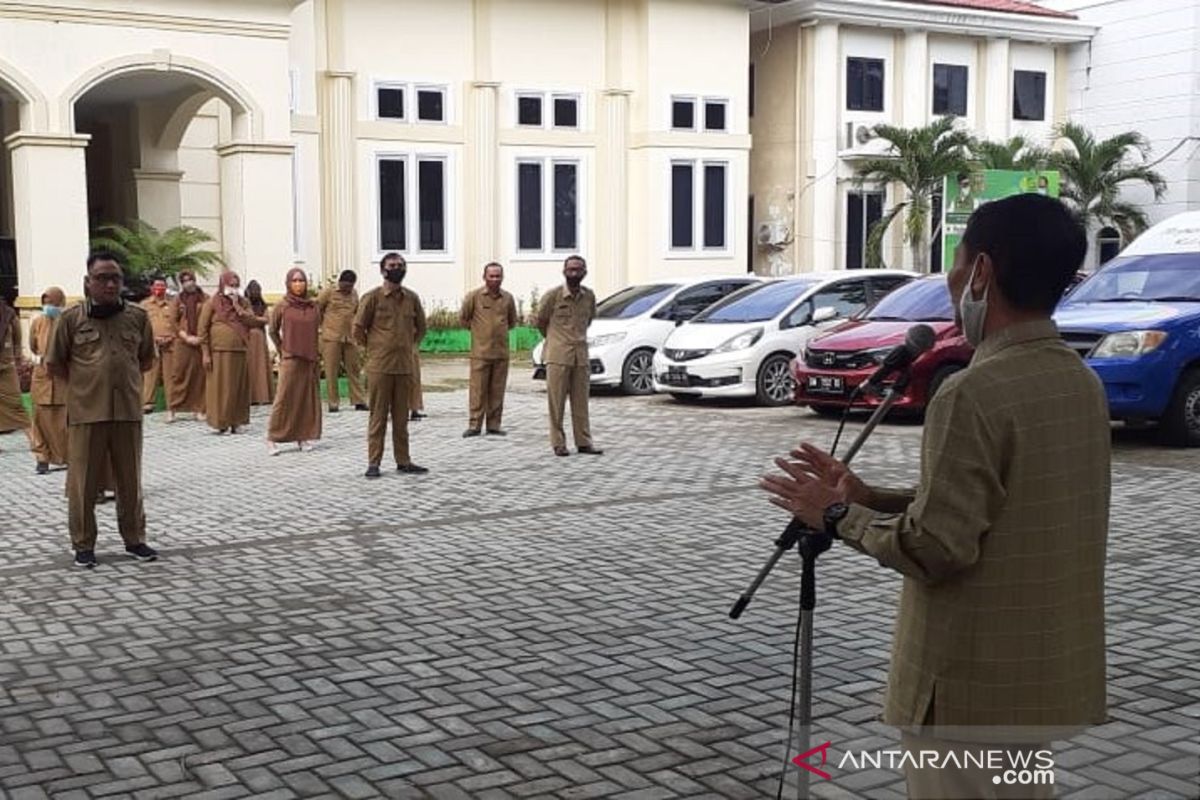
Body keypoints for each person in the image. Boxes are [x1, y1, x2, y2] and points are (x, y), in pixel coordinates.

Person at [760, 194, 1108, 800]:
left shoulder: (972, 392)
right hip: (1038, 677)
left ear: (982, 272)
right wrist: (870, 495)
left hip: (964, 692)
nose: (950, 282)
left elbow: (937, 548)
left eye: (956, 262)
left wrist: (837, 514)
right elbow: (997, 506)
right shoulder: (1079, 380)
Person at [46, 253, 159, 568]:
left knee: (130, 480)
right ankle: (83, 545)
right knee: (83, 483)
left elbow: (147, 359)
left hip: (127, 411)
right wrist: (86, 387)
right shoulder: (71, 319)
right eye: (102, 278)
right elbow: (55, 363)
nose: (110, 284)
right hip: (86, 413)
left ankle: (134, 539)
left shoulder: (137, 317)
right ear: (88, 282)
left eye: (116, 278)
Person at [354, 253, 428, 478]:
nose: (398, 269)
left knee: (401, 418)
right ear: (383, 270)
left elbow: (421, 328)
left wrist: (408, 346)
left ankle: (403, 461)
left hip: (404, 367)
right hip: (380, 367)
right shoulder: (372, 298)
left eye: (401, 265)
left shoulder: (411, 298)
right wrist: (374, 349)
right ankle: (374, 462)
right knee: (378, 417)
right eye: (393, 265)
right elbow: (358, 329)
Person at [536, 255, 602, 457]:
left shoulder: (589, 296)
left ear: (585, 272)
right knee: (556, 403)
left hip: (580, 356)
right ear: (564, 272)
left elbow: (589, 320)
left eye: (578, 270)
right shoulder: (553, 296)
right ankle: (558, 443)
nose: (574, 273)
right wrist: (557, 340)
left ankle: (583, 442)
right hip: (558, 356)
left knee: (581, 402)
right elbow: (541, 321)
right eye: (571, 269)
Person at [198, 271, 265, 434]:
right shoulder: (212, 303)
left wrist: (237, 307)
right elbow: (202, 329)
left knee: (237, 388)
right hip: (219, 352)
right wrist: (205, 353)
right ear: (223, 285)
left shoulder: (243, 302)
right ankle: (221, 422)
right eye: (230, 285)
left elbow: (253, 321)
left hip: (240, 350)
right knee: (221, 388)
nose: (233, 289)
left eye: (236, 286)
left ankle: (236, 421)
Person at [267, 268, 322, 454]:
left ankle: (302, 436)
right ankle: (272, 437)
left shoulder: (313, 306)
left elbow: (317, 329)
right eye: (295, 281)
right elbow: (272, 330)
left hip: (310, 358)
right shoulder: (283, 306)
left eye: (302, 281)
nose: (298, 284)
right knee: (284, 398)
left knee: (305, 399)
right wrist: (282, 348)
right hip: (291, 357)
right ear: (288, 283)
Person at [460, 262, 517, 437]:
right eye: (491, 276)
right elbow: (464, 319)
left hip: (501, 352)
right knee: (478, 390)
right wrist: (481, 333)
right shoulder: (474, 297)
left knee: (497, 390)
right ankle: (474, 424)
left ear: (502, 277)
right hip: (480, 353)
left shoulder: (507, 298)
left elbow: (512, 321)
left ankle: (494, 425)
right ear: (484, 277)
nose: (495, 279)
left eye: (498, 276)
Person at [29, 287, 68, 473]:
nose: (48, 307)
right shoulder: (37, 322)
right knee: (39, 420)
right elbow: (33, 346)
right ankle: (42, 458)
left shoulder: (67, 322)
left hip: (62, 380)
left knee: (63, 422)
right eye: (45, 303)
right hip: (42, 378)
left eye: (52, 303)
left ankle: (65, 457)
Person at [316, 269, 367, 413]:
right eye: (345, 286)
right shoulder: (329, 292)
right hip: (331, 336)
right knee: (331, 370)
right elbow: (317, 309)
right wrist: (321, 328)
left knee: (354, 369)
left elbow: (357, 312)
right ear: (341, 282)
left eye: (350, 286)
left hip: (350, 337)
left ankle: (359, 401)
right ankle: (333, 403)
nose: (348, 289)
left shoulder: (354, 294)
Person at [140, 278, 180, 420]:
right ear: (152, 287)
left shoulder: (174, 303)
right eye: (157, 285)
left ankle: (172, 405)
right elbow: (141, 325)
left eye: (162, 285)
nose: (159, 288)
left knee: (170, 376)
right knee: (150, 374)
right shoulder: (145, 305)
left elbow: (179, 323)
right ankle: (147, 404)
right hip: (152, 344)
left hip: (171, 344)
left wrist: (171, 337)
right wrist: (152, 339)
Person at [0, 285, 33, 454]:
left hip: (6, 366)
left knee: (16, 404)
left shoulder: (9, 314)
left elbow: (17, 341)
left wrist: (18, 358)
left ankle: (35, 441)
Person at [171, 270, 207, 421]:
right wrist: (184, 336)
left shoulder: (205, 298)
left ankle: (199, 409)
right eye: (185, 280)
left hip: (200, 341)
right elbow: (173, 321)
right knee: (179, 374)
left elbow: (209, 318)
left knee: (200, 376)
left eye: (190, 279)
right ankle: (173, 408)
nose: (188, 283)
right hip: (183, 342)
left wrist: (201, 338)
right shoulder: (178, 299)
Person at [244, 279, 275, 406]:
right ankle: (250, 397)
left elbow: (267, 319)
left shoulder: (263, 305)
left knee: (261, 366)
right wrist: (256, 320)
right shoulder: (244, 303)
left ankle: (262, 396)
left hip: (260, 339)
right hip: (247, 338)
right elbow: (245, 318)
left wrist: (254, 319)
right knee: (249, 366)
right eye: (253, 290)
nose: (255, 293)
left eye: (258, 290)